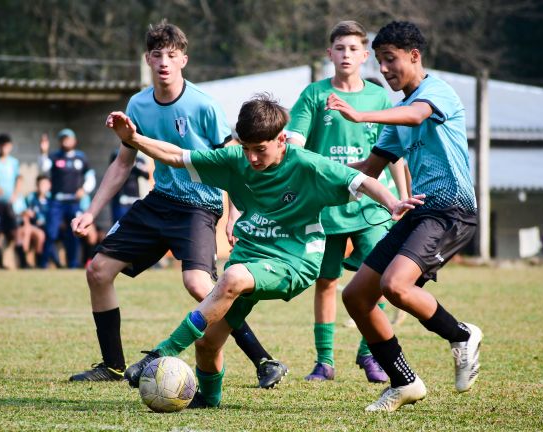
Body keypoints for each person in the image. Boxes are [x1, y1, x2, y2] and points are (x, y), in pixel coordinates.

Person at [108, 94, 424, 408]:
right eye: (245, 149)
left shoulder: (306, 165)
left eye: (260, 149)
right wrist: (134, 139)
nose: (252, 158)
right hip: (250, 256)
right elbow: (177, 156)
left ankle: (161, 352)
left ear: (281, 139)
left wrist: (394, 203)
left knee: (230, 276)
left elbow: (362, 180)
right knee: (207, 344)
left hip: (295, 261)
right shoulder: (236, 161)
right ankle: (208, 400)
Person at [69, 22, 287, 389]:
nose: (164, 62)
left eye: (172, 55)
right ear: (147, 60)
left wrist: (234, 214)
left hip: (199, 206)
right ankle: (113, 365)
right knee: (98, 271)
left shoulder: (202, 105)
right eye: (157, 55)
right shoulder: (137, 105)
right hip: (159, 201)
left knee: (200, 285)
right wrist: (91, 212)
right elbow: (123, 163)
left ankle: (264, 360)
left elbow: (233, 162)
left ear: (184, 59)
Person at [327, 21, 483, 412]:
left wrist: (361, 117)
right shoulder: (398, 111)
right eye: (379, 62)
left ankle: (461, 334)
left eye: (390, 60)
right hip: (417, 212)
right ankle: (404, 382)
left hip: (452, 210)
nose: (384, 69)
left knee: (396, 286)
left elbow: (417, 116)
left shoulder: (436, 92)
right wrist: (316, 177)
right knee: (357, 297)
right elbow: (370, 169)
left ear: (415, 56)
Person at [286, 20, 409, 383]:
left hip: (373, 205)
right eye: (340, 48)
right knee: (325, 282)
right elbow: (294, 145)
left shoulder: (379, 98)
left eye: (354, 49)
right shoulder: (313, 95)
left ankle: (369, 354)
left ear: (365, 56)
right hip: (327, 207)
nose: (346, 54)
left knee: (383, 278)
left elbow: (395, 154)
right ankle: (324, 362)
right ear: (330, 54)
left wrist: (400, 200)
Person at [39, 128, 96, 268]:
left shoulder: (81, 157)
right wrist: (43, 152)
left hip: (74, 202)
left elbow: (90, 176)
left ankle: (72, 264)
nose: (65, 141)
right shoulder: (54, 156)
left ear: (74, 141)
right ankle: (43, 263)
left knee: (74, 234)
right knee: (51, 232)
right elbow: (43, 168)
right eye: (63, 138)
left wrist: (84, 189)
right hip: (56, 201)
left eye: (68, 138)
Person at [0, 133, 23, 269]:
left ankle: (24, 262)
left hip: (9, 204)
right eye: (2, 145)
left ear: (10, 147)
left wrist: (15, 194)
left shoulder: (14, 162)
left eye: (7, 145)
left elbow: (19, 179)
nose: (4, 148)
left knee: (15, 231)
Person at [18, 174, 52, 268]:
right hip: (33, 227)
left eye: (45, 184)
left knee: (44, 235)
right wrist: (27, 221)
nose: (42, 187)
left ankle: (40, 263)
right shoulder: (31, 197)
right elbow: (24, 213)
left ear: (49, 185)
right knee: (31, 232)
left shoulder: (51, 199)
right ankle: (25, 263)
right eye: (41, 184)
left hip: (47, 228)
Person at [109, 149, 150, 224]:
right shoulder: (117, 155)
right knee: (119, 225)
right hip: (120, 197)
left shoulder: (139, 159)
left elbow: (147, 175)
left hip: (134, 197)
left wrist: (135, 165)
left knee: (135, 225)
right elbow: (113, 174)